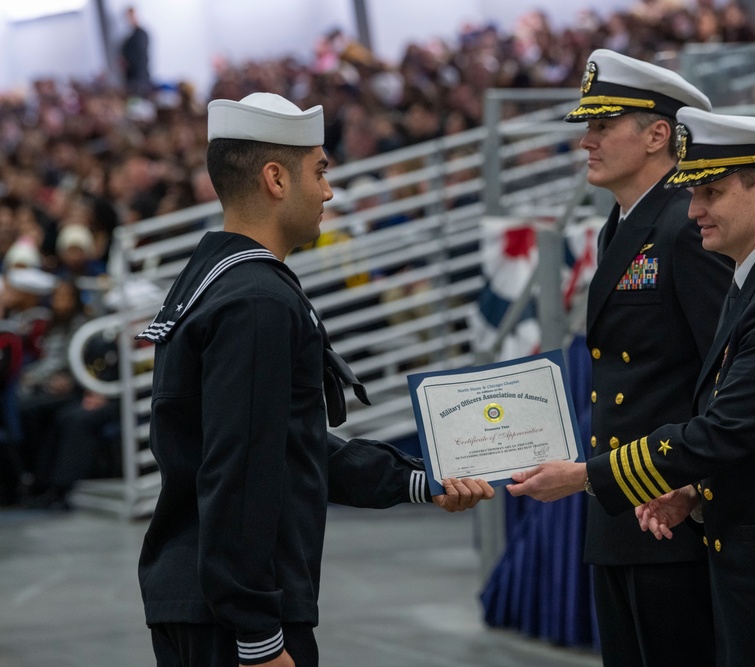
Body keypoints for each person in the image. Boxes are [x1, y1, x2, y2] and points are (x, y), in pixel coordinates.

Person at [509, 107, 755, 666]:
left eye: (709, 192)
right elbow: (753, 433)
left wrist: (585, 478)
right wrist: (692, 495)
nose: (692, 211)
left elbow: (724, 431)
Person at [136, 92, 493, 667]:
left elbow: (284, 441)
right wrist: (257, 635)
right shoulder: (257, 300)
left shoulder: (217, 278)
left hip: (200, 601)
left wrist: (417, 480)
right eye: (320, 171)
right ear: (276, 179)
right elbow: (241, 468)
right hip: (236, 620)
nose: (328, 191)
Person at [529, 49, 732, 666]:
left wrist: (694, 487)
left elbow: (722, 370)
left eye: (601, 127)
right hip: (624, 509)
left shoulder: (687, 226)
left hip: (668, 513)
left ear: (657, 135)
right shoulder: (620, 226)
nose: (587, 142)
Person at [121, 6, 152, 97]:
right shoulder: (130, 37)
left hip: (139, 78)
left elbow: (139, 55)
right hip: (132, 77)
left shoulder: (141, 35)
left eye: (131, 16)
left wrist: (127, 61)